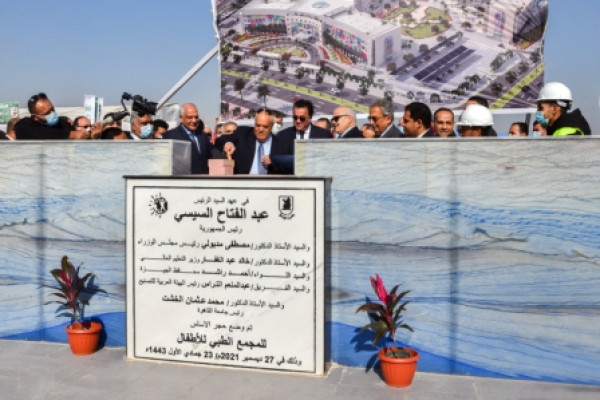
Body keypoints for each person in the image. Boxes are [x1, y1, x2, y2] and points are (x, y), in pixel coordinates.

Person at [216, 109, 293, 175]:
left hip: (270, 188)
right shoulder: (243, 134)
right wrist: (228, 143)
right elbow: (220, 140)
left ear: (271, 126)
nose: (261, 130)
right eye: (258, 125)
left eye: (265, 127)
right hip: (244, 187)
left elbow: (292, 165)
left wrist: (275, 160)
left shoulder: (281, 144)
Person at [162, 103, 212, 174]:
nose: (194, 121)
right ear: (181, 118)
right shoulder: (171, 136)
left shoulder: (203, 135)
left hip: (202, 180)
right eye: (190, 117)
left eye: (196, 117)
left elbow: (211, 154)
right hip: (183, 180)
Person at [15, 92, 88, 140]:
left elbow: (80, 134)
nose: (52, 113)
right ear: (35, 117)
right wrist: (71, 135)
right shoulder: (24, 126)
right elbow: (40, 133)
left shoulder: (64, 123)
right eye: (47, 113)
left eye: (52, 109)